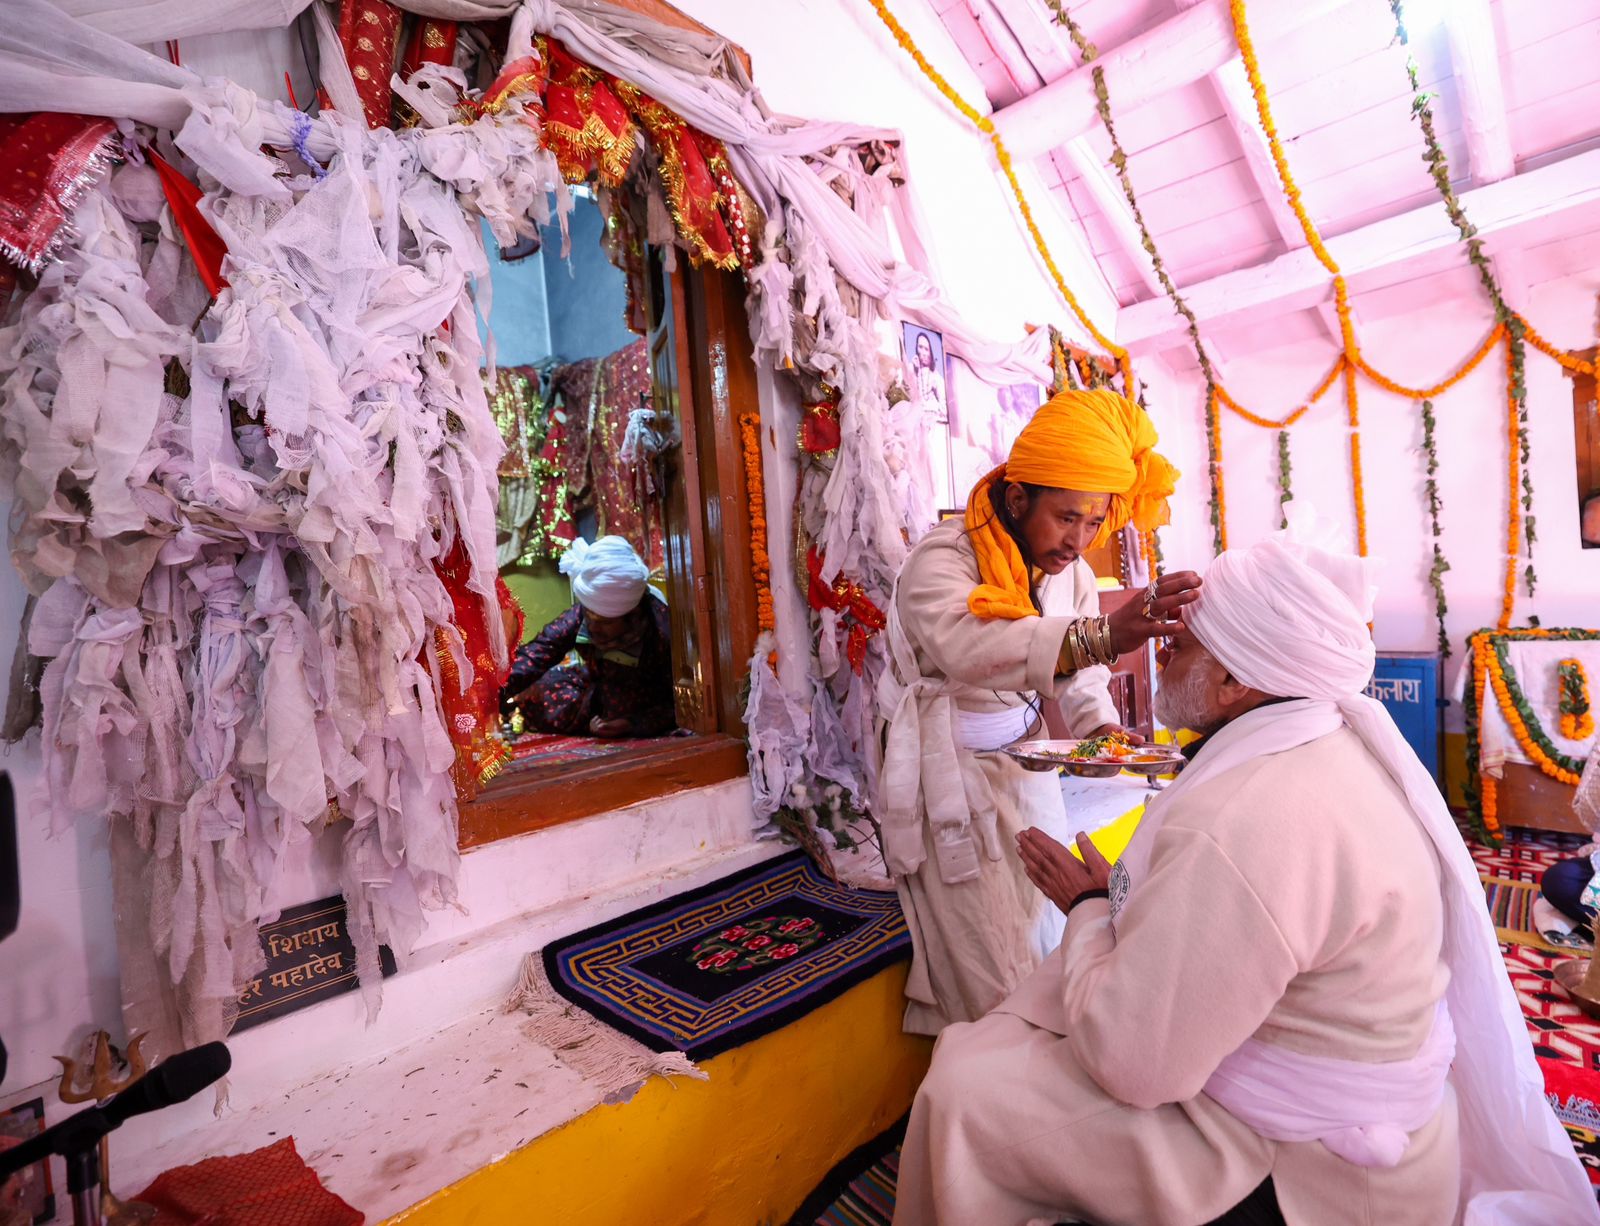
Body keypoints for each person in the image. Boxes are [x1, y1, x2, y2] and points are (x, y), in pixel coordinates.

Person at [893, 507, 1595, 1226]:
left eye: (1183, 644)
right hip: (1377, 1131)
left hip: (1314, 1172)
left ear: (1232, 680)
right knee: (1012, 1034)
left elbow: (1132, 1062)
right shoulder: (1329, 742)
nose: (1163, 654)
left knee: (964, 1089)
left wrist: (1088, 911)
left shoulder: (1240, 815)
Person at [876, 387, 1193, 1036]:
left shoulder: (1068, 570)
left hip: (1028, 765)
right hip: (953, 775)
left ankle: (1043, 1060)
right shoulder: (943, 561)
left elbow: (1079, 669)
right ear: (1018, 498)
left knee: (1047, 927)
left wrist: (1099, 728)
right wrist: (1101, 636)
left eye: (1094, 522)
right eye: (1066, 517)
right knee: (986, 954)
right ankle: (987, 1076)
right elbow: (972, 647)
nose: (1079, 540)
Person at [501, 536, 676, 739]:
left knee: (623, 706)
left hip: (644, 699)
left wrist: (633, 724)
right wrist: (485, 694)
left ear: (631, 615)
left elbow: (679, 703)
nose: (593, 627)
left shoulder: (661, 630)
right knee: (539, 690)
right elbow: (537, 654)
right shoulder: (584, 613)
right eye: (589, 617)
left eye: (605, 623)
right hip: (596, 688)